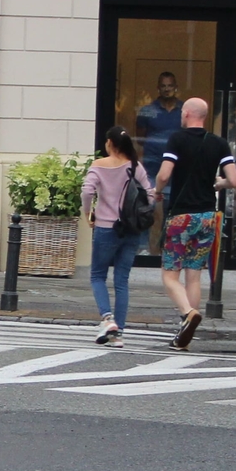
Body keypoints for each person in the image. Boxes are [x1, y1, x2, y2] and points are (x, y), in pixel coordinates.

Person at [151, 97, 236, 351]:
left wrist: (157, 191)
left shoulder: (177, 139)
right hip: (207, 218)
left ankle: (188, 313)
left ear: (187, 114)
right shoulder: (219, 143)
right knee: (193, 277)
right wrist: (218, 183)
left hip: (182, 217)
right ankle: (185, 330)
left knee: (169, 276)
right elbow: (234, 180)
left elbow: (165, 174)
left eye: (182, 112)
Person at [81, 127, 151, 345]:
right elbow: (149, 195)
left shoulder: (99, 165)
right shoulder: (134, 165)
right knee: (122, 280)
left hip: (105, 227)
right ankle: (117, 334)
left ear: (110, 143)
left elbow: (87, 191)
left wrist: (87, 213)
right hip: (130, 229)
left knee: (98, 276)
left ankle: (107, 318)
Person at [134, 72, 184, 169]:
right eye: (163, 86)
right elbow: (140, 139)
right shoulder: (147, 111)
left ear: (176, 87)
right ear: (158, 88)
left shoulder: (185, 109)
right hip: (152, 162)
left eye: (170, 86)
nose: (167, 89)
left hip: (179, 161)